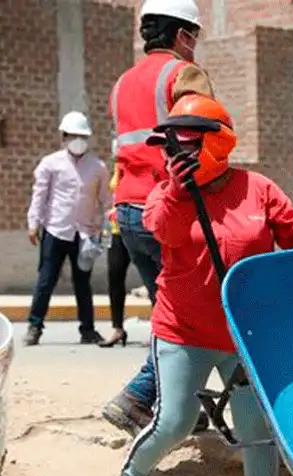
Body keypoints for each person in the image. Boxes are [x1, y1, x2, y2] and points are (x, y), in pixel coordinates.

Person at [110, 94, 293, 476]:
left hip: (244, 331)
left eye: (185, 146)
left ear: (218, 143)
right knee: (175, 422)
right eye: (170, 148)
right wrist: (175, 188)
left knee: (256, 428)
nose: (174, 156)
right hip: (182, 328)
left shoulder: (257, 188)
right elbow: (161, 230)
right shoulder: (166, 191)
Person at [101, 0, 214, 436]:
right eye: (195, 37)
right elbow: (205, 140)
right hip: (168, 210)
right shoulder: (183, 74)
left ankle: (176, 402)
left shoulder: (122, 82)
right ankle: (138, 397)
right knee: (189, 314)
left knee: (169, 313)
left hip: (128, 211)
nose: (195, 46)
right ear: (182, 34)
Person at [23, 111, 109, 346]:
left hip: (85, 234)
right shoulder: (50, 164)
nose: (77, 140)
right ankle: (34, 326)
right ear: (64, 136)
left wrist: (105, 227)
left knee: (83, 283)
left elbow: (105, 200)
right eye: (73, 135)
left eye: (82, 135)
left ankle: (88, 329)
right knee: (46, 280)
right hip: (56, 230)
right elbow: (40, 196)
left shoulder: (97, 167)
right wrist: (34, 224)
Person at [99, 167, 131, 348]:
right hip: (116, 230)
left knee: (152, 280)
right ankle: (117, 328)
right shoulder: (119, 165)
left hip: (139, 229)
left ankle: (158, 332)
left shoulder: (143, 161)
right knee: (115, 278)